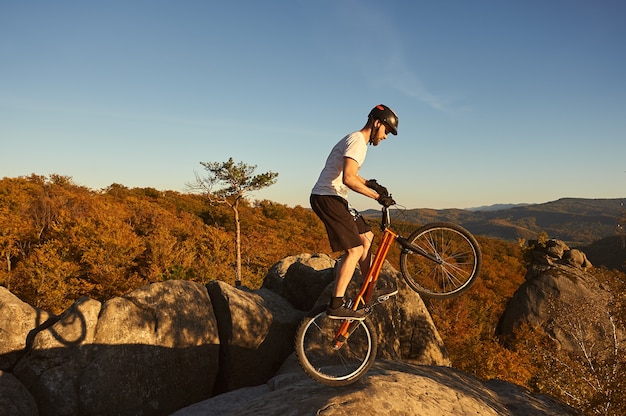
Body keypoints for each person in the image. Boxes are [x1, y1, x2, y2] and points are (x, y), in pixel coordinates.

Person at [310, 104, 399, 320]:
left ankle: (369, 287)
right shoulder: (358, 141)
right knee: (355, 250)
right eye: (386, 130)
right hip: (327, 198)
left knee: (367, 237)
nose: (386, 137)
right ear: (377, 123)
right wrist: (377, 197)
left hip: (335, 198)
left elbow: (353, 174)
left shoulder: (357, 142)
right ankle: (336, 305)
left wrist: (372, 184)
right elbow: (348, 178)